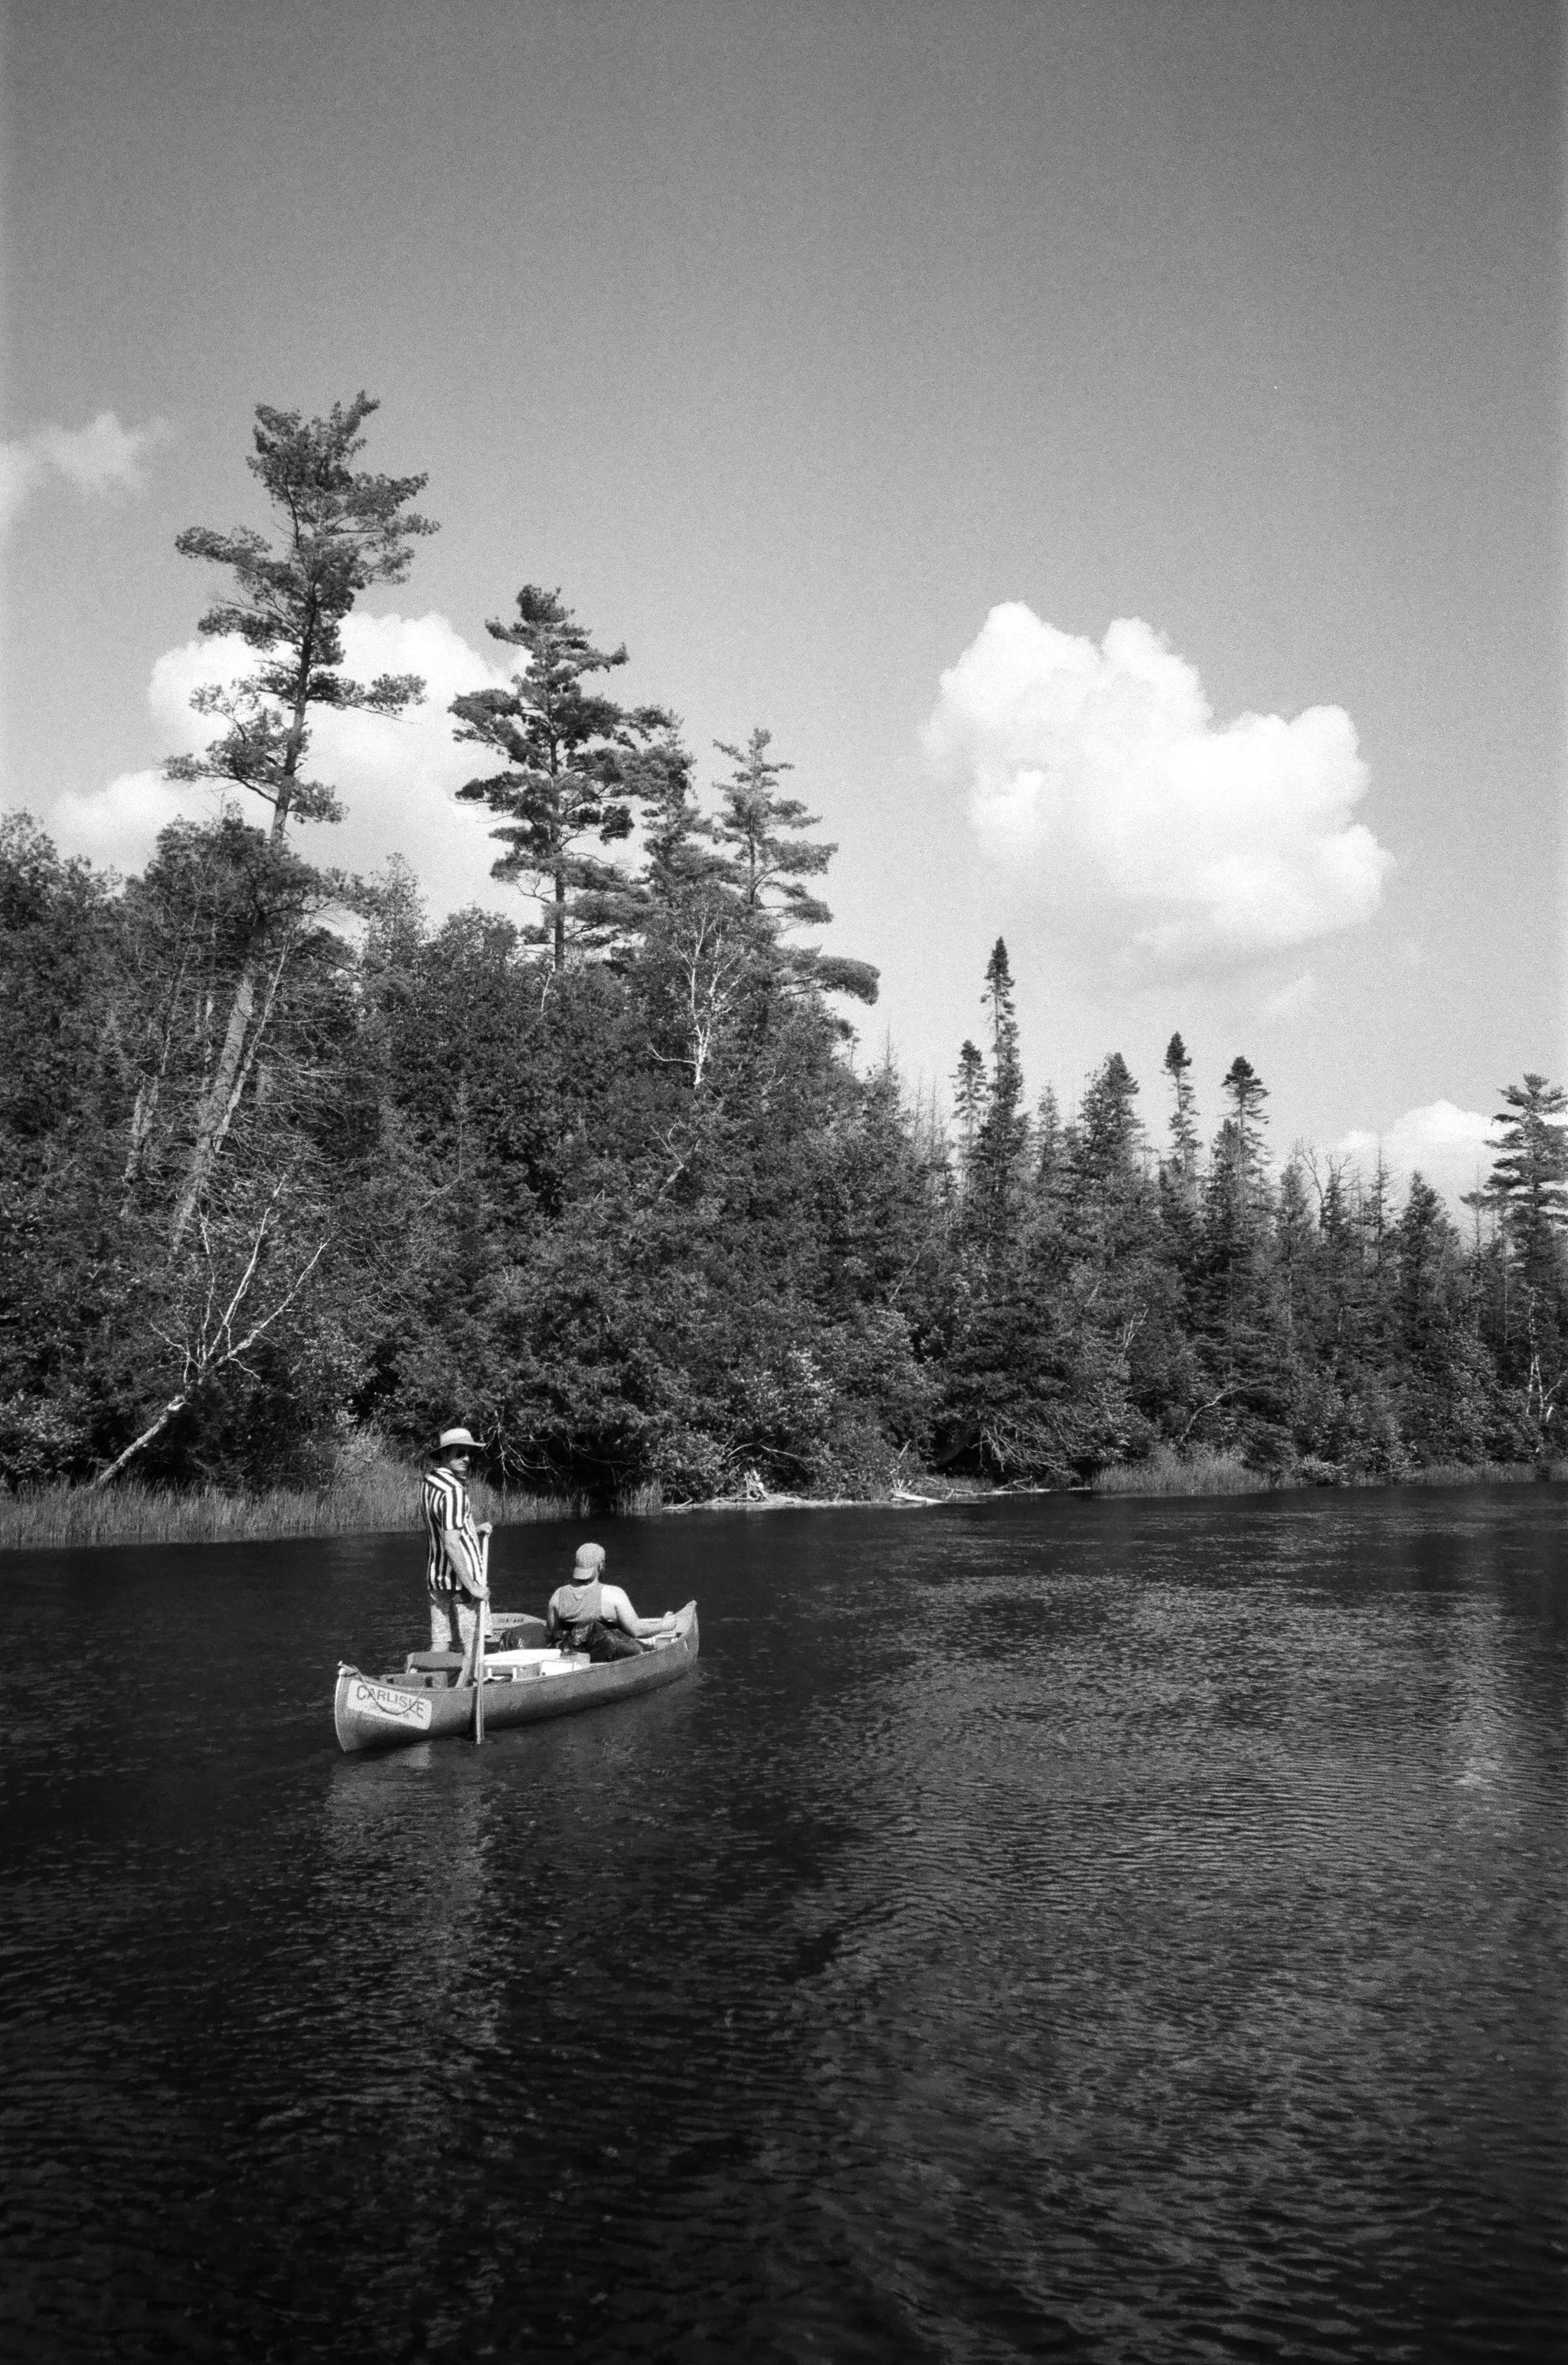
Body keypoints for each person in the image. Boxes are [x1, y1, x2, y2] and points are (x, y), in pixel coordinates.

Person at [420, 1426, 493, 1658]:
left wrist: (473, 1528)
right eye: (459, 1453)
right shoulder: (454, 1491)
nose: (467, 1458)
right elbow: (451, 1543)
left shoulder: (429, 1481)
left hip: (436, 1575)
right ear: (444, 1454)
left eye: (470, 1453)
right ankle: (470, 1686)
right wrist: (473, 1586)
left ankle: (430, 1684)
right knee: (474, 1642)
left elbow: (443, 1523)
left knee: (440, 1641)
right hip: (461, 1580)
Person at [545, 1543, 676, 1663]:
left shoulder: (557, 1595)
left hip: (571, 1657)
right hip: (604, 1658)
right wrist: (663, 1625)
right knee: (639, 1646)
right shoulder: (612, 1594)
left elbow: (553, 1635)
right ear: (601, 1565)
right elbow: (637, 1630)